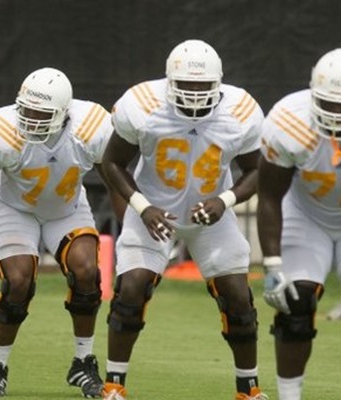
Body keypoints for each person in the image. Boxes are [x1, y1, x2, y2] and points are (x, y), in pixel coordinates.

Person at [101, 39, 268, 400]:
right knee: (131, 289)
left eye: (202, 85)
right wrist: (142, 206)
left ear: (219, 83)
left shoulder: (240, 110)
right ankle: (114, 384)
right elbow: (112, 161)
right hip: (153, 213)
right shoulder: (143, 105)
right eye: (186, 84)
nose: (194, 93)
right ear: (169, 81)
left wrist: (224, 200)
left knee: (238, 297)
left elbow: (258, 170)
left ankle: (248, 388)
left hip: (212, 215)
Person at [0, 67, 125, 397]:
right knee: (18, 282)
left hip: (66, 208)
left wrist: (132, 232)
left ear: (64, 113)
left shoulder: (91, 126)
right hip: (14, 208)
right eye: (27, 110)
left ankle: (83, 362)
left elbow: (115, 181)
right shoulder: (2, 128)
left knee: (87, 272)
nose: (31, 120)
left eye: (41, 114)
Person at [257, 48, 341, 400]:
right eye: (330, 103)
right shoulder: (289, 120)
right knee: (296, 303)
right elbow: (269, 195)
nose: (336, 114)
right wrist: (273, 264)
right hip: (308, 215)